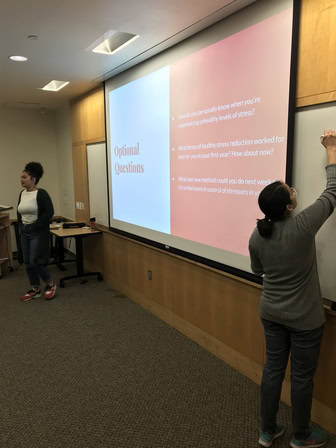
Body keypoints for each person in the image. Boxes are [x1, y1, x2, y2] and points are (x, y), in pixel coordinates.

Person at [249, 130, 336, 448]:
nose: (293, 188)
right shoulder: (302, 226)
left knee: (273, 369)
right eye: (290, 190)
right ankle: (300, 436)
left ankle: (267, 431)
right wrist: (332, 149)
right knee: (301, 377)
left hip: (271, 313)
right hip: (305, 319)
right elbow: (334, 190)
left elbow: (258, 271)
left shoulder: (258, 235)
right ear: (288, 207)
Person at [17, 161, 56, 301]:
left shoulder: (41, 193)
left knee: (36, 261)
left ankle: (50, 284)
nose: (21, 179)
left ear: (33, 179)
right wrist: (22, 227)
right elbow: (19, 213)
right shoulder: (22, 194)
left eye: (24, 177)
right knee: (27, 262)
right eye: (21, 177)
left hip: (37, 232)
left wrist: (35, 226)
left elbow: (49, 212)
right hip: (25, 231)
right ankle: (35, 288)